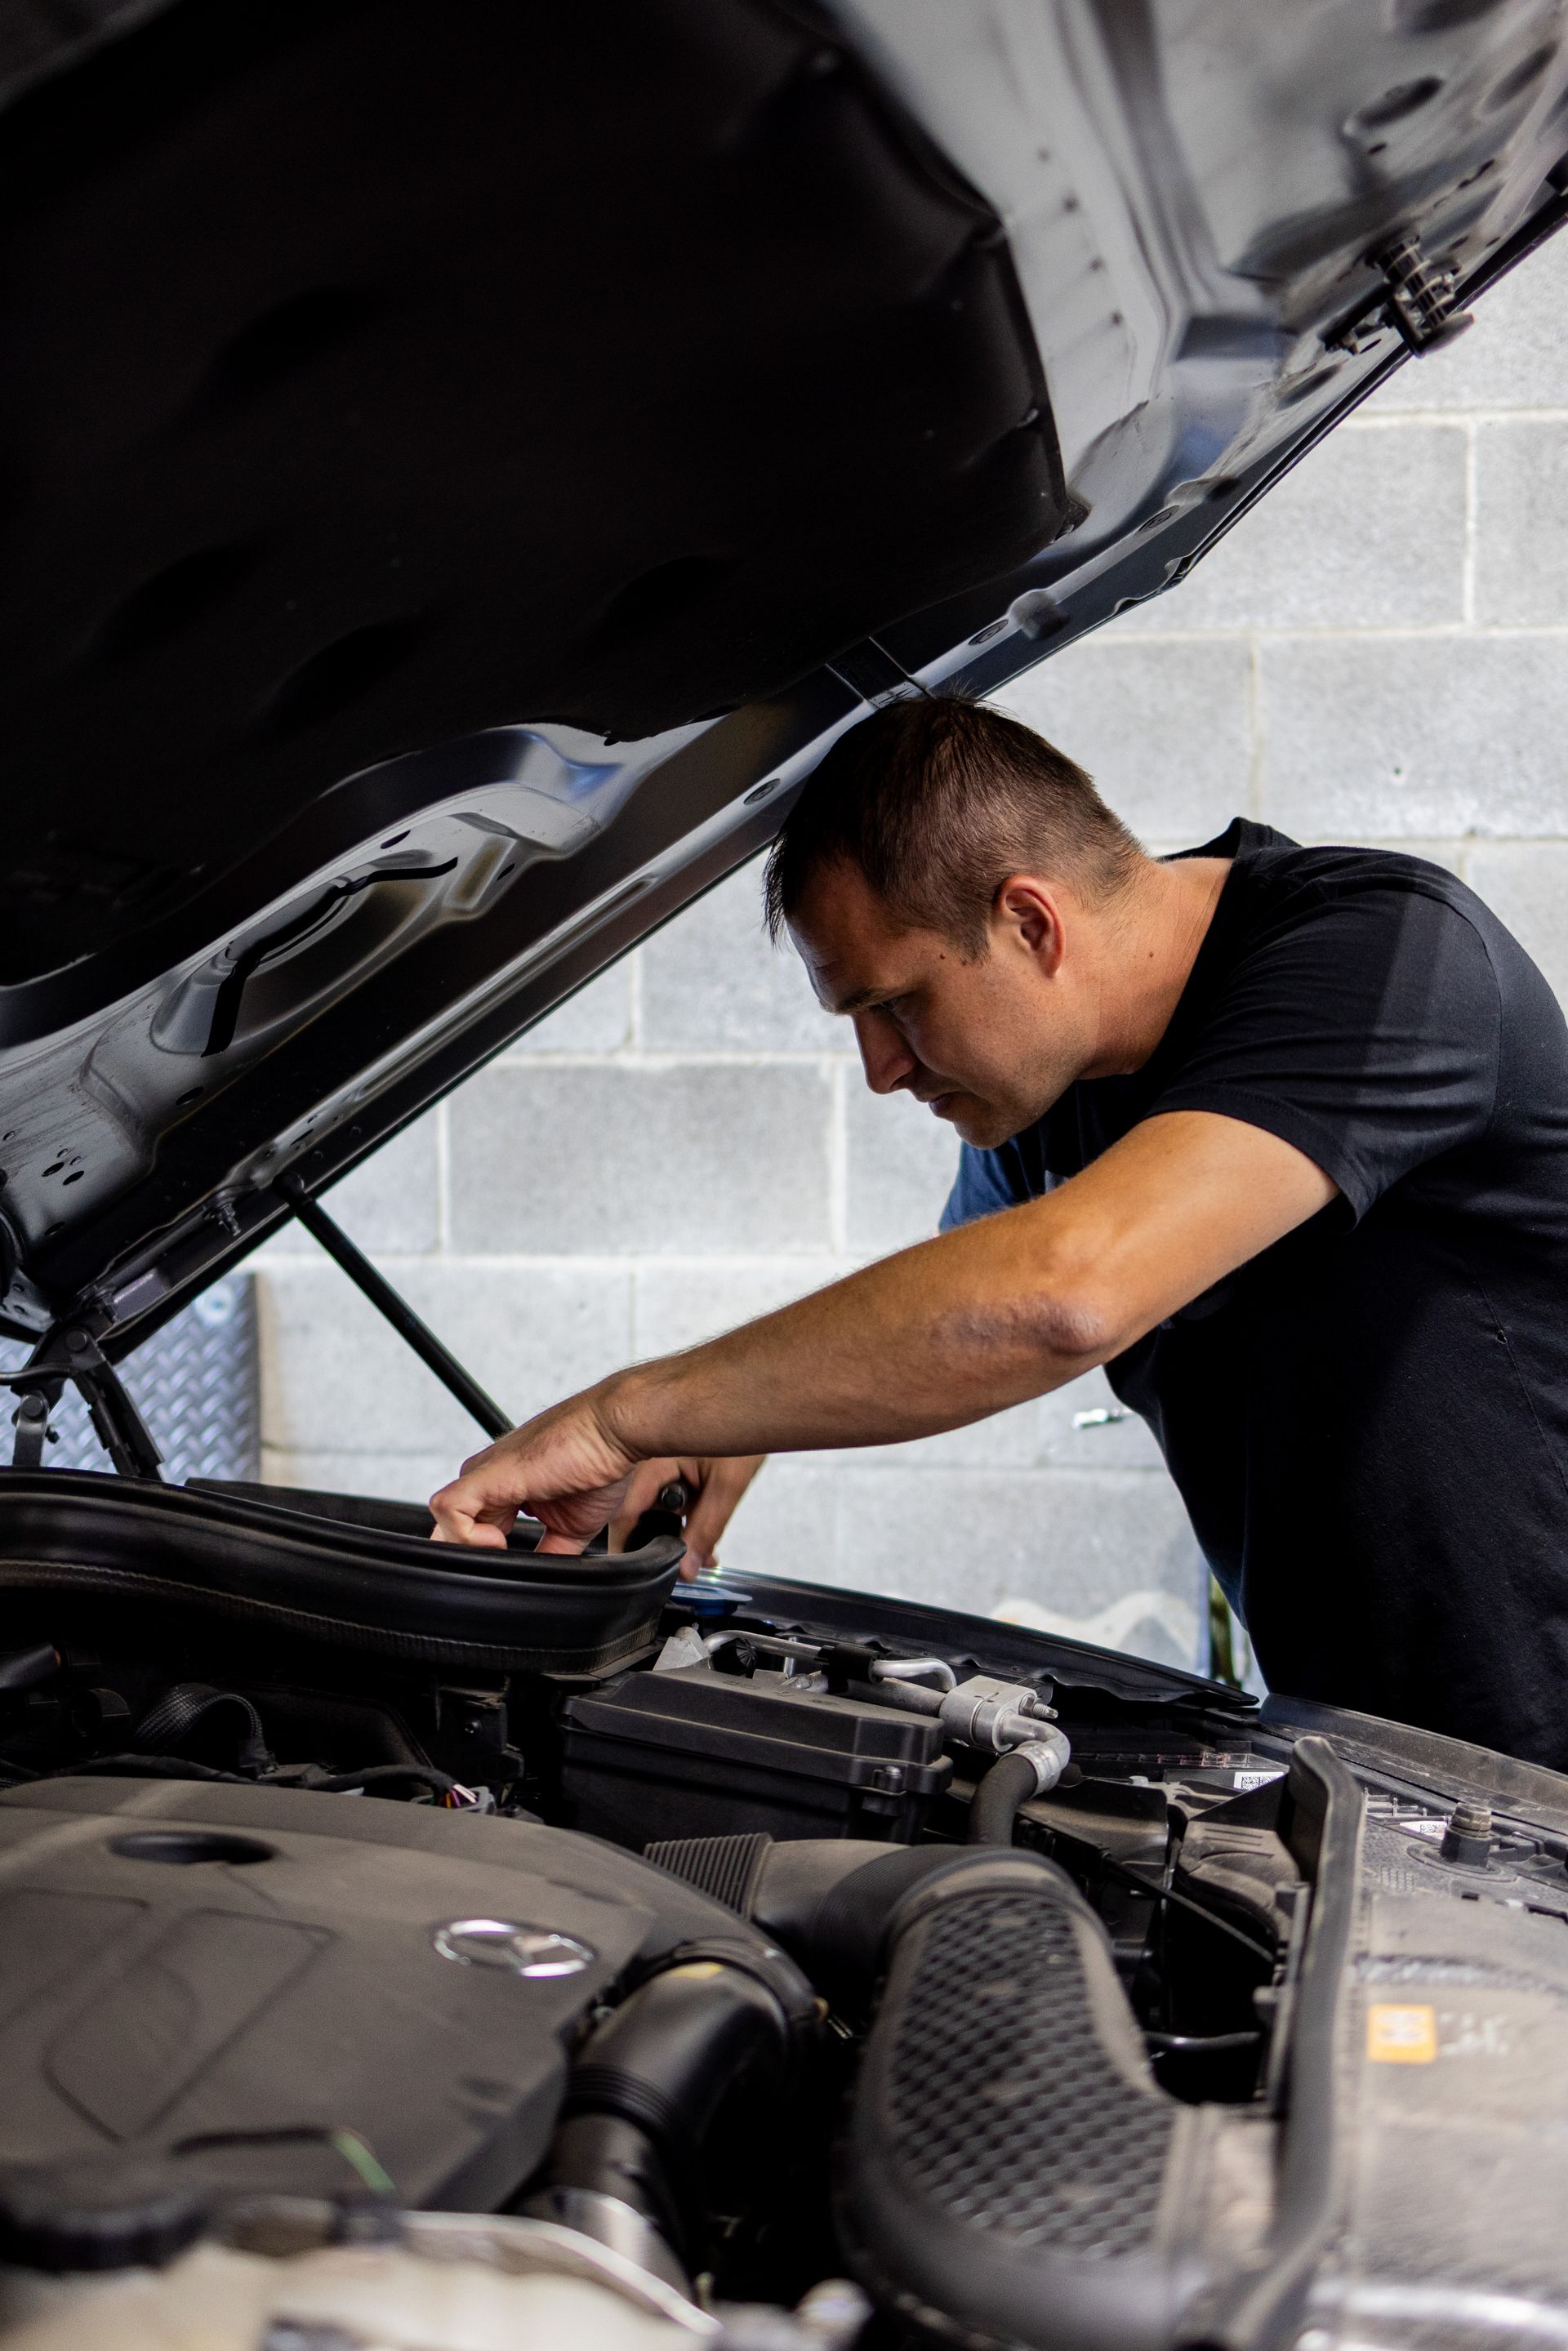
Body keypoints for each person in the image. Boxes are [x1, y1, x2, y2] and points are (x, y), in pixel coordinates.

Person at [430, 695, 1568, 1768]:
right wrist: (725, 1432)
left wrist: (626, 1415)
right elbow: (947, 1307)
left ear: (1031, 922)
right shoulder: (1054, 1086)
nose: (880, 1071)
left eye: (896, 1004)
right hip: (1380, 1753)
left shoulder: (1392, 962)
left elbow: (1056, 1295)